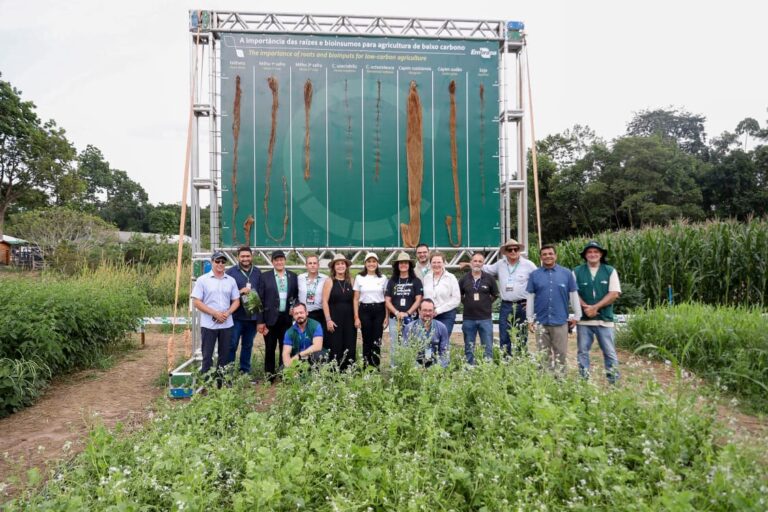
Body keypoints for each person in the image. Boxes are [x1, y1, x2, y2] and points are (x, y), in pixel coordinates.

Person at [526, 245, 581, 376]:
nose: (548, 256)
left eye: (550, 253)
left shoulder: (567, 274)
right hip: (541, 321)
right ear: (541, 257)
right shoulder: (534, 275)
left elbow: (573, 295)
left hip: (560, 321)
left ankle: (560, 380)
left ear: (555, 255)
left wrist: (577, 315)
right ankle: (544, 380)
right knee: (542, 354)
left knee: (560, 354)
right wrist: (529, 318)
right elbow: (530, 297)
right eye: (544, 254)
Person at [573, 241, 622, 383]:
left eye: (596, 252)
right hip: (584, 321)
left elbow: (614, 293)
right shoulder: (576, 271)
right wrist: (585, 307)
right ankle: (584, 381)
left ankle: (613, 382)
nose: (592, 254)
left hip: (604, 320)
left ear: (601, 254)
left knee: (609, 352)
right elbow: (573, 293)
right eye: (589, 252)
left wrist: (595, 308)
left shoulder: (610, 271)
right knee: (582, 352)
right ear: (585, 255)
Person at [190, 251, 240, 387]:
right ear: (212, 262)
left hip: (226, 324)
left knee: (225, 356)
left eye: (223, 262)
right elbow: (196, 302)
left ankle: (221, 385)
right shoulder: (202, 280)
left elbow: (236, 300)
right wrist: (214, 313)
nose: (220, 264)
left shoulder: (231, 280)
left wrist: (227, 313)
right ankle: (206, 386)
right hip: (209, 325)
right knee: (207, 356)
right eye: (217, 261)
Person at [481, 239, 537, 355]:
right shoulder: (500, 264)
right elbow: (484, 268)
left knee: (522, 335)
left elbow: (539, 282)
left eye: (515, 249)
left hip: (523, 305)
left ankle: (521, 358)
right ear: (505, 252)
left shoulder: (529, 265)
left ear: (519, 250)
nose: (513, 251)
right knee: (504, 334)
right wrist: (468, 264)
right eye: (509, 249)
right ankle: (506, 359)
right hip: (506, 305)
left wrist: (533, 302)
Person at [257, 250, 299, 382]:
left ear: (285, 261)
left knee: (285, 348)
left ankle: (284, 375)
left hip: (286, 319)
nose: (279, 262)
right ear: (272, 262)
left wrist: (294, 308)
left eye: (281, 259)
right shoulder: (265, 277)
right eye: (276, 260)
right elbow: (260, 300)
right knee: (269, 348)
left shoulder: (293, 276)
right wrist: (260, 321)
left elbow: (296, 297)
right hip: (269, 319)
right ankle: (269, 376)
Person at [225, 246, 263, 374]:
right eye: (242, 256)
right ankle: (229, 373)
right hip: (236, 317)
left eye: (248, 256)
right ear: (238, 257)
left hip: (252, 317)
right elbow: (225, 293)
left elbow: (262, 292)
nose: (245, 258)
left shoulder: (257, 272)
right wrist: (239, 291)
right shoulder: (230, 272)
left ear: (251, 257)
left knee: (247, 345)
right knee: (232, 345)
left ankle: (244, 372)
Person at [384, 251, 423, 366]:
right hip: (395, 319)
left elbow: (418, 300)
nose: (403, 265)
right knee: (395, 344)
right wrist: (396, 312)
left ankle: (411, 368)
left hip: (412, 318)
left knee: (411, 343)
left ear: (410, 265)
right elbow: (387, 300)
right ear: (397, 265)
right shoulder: (392, 281)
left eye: (406, 262)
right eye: (401, 263)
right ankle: (395, 368)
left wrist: (408, 313)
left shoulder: (416, 281)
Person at [459, 252, 499, 364]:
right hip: (468, 319)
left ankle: (487, 368)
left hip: (485, 318)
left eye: (480, 261)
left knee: (487, 347)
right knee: (469, 347)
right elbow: (459, 295)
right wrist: (467, 302)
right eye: (475, 261)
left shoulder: (490, 278)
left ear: (483, 263)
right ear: (471, 262)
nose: (477, 263)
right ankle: (469, 367)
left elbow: (495, 295)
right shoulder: (464, 279)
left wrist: (486, 303)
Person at [353, 252, 388, 368]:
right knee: (366, 340)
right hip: (364, 310)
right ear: (365, 263)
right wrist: (356, 317)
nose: (371, 264)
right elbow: (356, 299)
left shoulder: (383, 278)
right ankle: (366, 367)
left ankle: (375, 368)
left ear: (377, 263)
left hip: (379, 310)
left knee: (377, 340)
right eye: (369, 261)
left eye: (374, 261)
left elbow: (386, 298)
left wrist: (386, 316)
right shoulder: (359, 277)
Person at [322, 253, 357, 371]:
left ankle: (348, 372)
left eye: (342, 263)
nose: (340, 266)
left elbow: (356, 300)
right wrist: (328, 320)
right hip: (334, 320)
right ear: (334, 267)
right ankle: (334, 374)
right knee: (335, 347)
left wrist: (356, 317)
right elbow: (324, 302)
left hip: (349, 320)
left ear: (346, 266)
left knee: (350, 346)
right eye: (337, 264)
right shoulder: (329, 281)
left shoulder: (352, 280)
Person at [402, 299, 450, 368]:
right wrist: (418, 368)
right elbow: (406, 352)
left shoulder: (442, 327)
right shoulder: (410, 327)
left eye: (430, 310)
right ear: (419, 311)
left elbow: (444, 353)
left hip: (436, 367)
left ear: (433, 311)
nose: (427, 313)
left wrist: (437, 368)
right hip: (414, 367)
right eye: (425, 310)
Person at [422, 251, 461, 335]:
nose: (436, 265)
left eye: (439, 262)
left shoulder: (451, 277)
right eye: (434, 262)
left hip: (446, 314)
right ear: (430, 264)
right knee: (428, 339)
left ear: (443, 263)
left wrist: (438, 310)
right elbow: (424, 297)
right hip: (429, 314)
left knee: (442, 338)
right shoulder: (426, 278)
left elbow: (456, 299)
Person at [282, 303, 324, 368]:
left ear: (306, 313)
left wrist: (299, 355)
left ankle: (315, 374)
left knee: (319, 355)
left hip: (311, 357)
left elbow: (317, 346)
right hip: (298, 361)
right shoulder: (289, 332)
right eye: (296, 314)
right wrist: (288, 367)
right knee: (282, 368)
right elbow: (286, 353)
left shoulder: (316, 325)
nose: (299, 315)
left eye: (301, 313)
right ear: (293, 316)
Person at [297, 253, 328, 329]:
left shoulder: (325, 279)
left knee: (319, 336)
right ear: (306, 265)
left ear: (318, 265)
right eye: (310, 263)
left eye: (315, 263)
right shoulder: (299, 278)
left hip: (319, 314)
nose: (312, 265)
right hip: (303, 314)